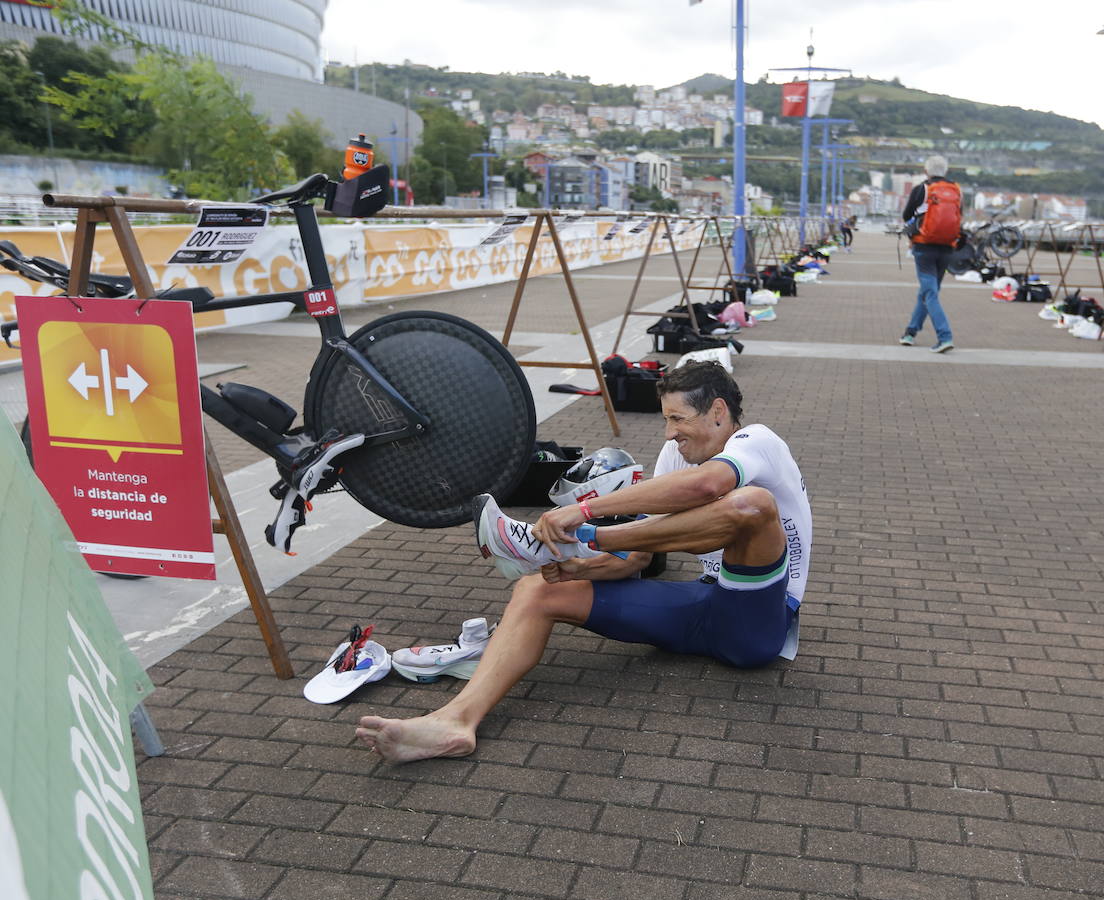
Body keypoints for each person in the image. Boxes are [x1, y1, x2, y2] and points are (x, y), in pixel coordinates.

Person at [356, 361, 812, 764]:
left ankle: (583, 538)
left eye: (678, 419)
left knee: (750, 504)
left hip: (759, 620)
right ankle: (454, 721)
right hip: (703, 605)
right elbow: (638, 558)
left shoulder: (758, 441)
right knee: (536, 589)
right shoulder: (677, 453)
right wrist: (583, 569)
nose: (668, 432)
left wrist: (586, 517)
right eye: (665, 419)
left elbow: (707, 489)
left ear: (717, 411)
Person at [899, 154, 961, 353]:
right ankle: (910, 332)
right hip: (947, 247)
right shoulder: (956, 190)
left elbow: (906, 215)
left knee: (929, 293)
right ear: (946, 171)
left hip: (924, 246)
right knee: (928, 292)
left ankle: (945, 337)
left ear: (926, 171)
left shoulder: (922, 189)